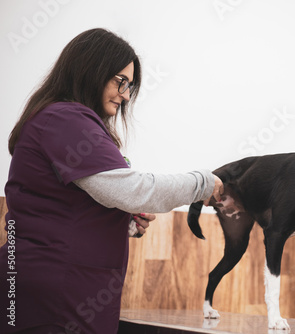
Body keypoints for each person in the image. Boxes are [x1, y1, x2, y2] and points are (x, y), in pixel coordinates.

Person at [0, 28, 223, 334]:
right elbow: (134, 190)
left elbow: (70, 206)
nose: (126, 94)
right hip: (54, 297)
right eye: (120, 81)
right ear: (91, 70)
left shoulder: (58, 120)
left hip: (55, 290)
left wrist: (123, 221)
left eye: (130, 86)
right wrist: (204, 183)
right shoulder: (66, 120)